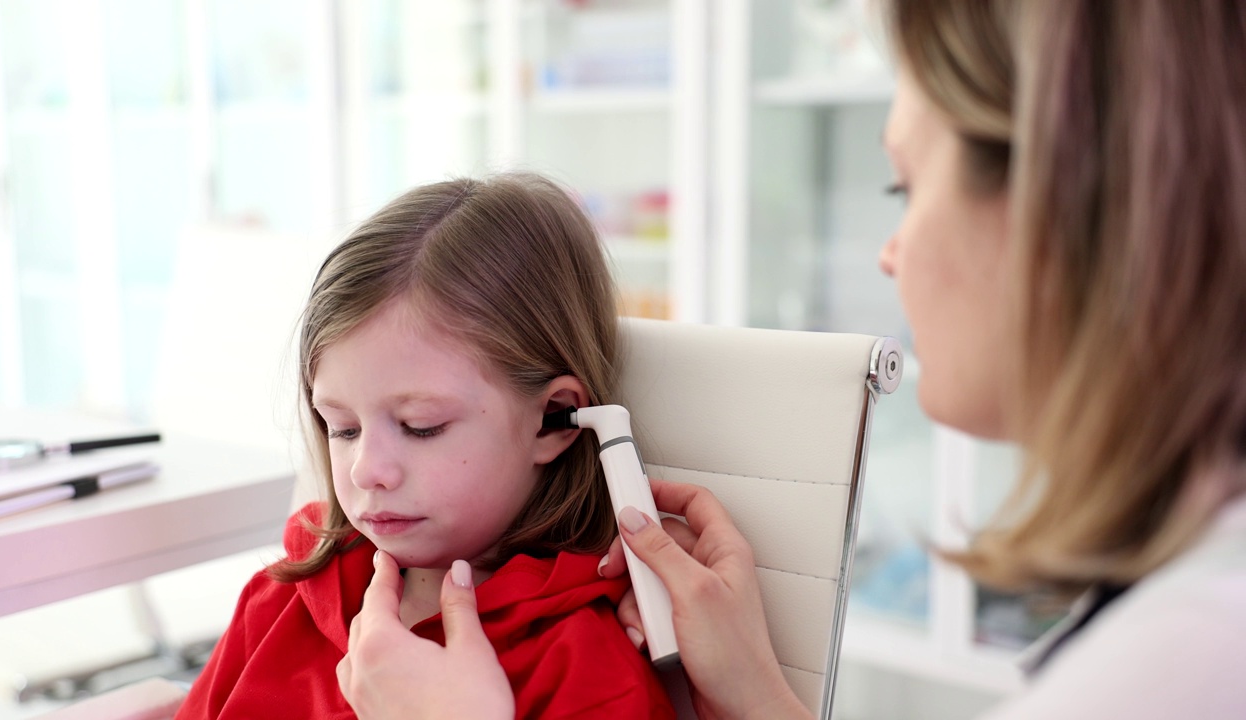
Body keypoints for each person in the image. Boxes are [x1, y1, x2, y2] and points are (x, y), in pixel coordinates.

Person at [335, 0, 1246, 718]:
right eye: (337, 424)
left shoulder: (1194, 655)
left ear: (1064, 211)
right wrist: (763, 701)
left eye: (906, 185)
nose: (890, 252)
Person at [176, 173, 676, 719]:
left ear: (554, 421)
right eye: (342, 428)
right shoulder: (277, 605)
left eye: (421, 427)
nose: (368, 470)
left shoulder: (589, 676)